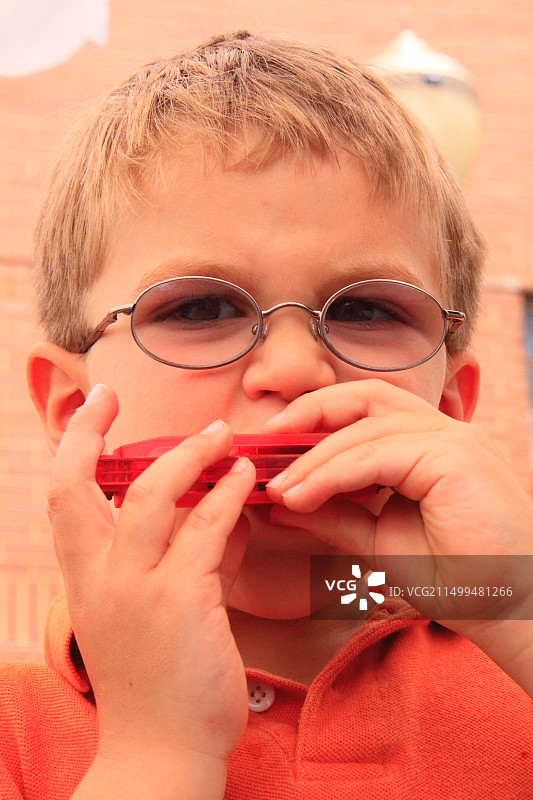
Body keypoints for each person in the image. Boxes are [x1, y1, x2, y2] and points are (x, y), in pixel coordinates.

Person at [2, 29, 533, 799]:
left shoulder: (513, 659)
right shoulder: (20, 734)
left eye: (366, 309)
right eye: (203, 306)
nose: (294, 369)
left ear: (448, 405)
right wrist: (154, 752)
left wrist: (508, 595)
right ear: (72, 409)